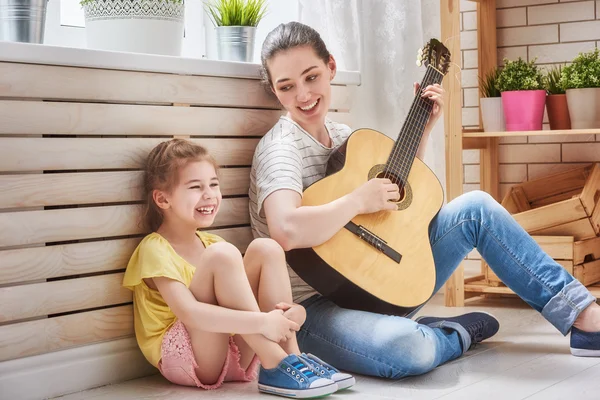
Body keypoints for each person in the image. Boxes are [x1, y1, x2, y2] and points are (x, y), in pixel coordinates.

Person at [248, 21, 600, 379]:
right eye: (286, 87)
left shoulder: (344, 135)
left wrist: (425, 128)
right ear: (275, 92)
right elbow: (285, 230)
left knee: (475, 208)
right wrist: (357, 200)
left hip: (376, 278)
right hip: (311, 310)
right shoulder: (281, 149)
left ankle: (582, 315)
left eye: (311, 77)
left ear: (331, 68)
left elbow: (396, 201)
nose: (303, 95)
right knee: (407, 347)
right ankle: (450, 334)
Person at [122, 138, 355, 398]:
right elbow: (190, 314)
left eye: (213, 184)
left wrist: (291, 314)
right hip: (193, 361)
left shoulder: (212, 243)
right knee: (223, 254)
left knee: (266, 248)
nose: (209, 194)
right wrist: (263, 321)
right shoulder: (155, 249)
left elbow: (243, 303)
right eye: (195, 187)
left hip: (232, 352)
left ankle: (292, 357)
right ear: (163, 199)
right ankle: (276, 361)